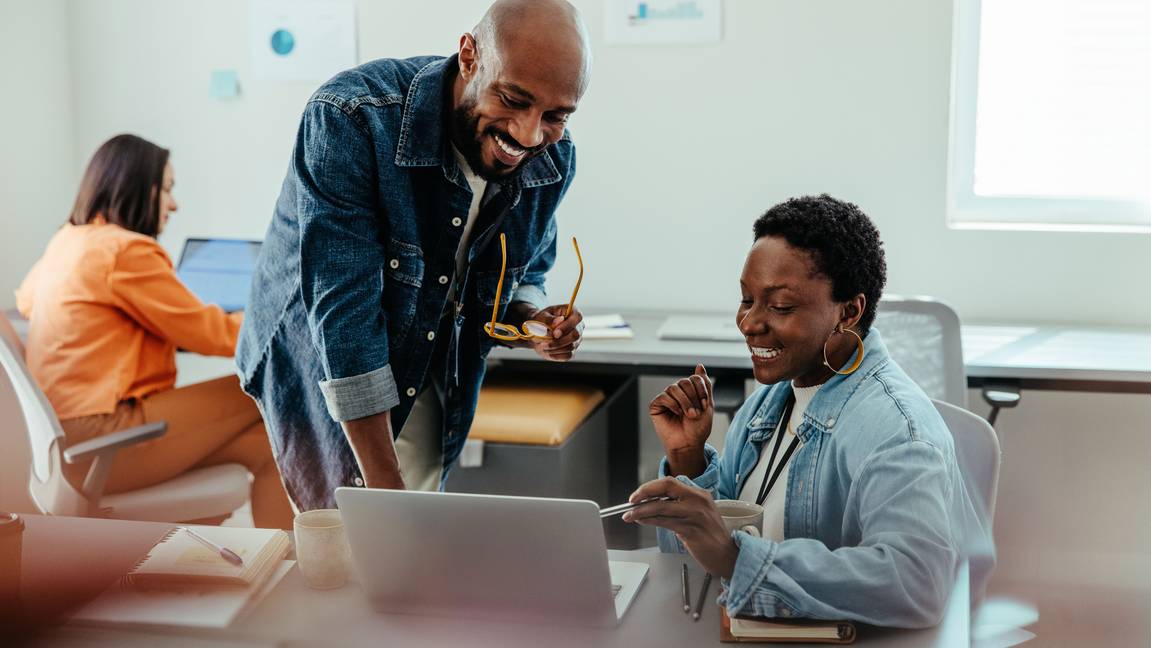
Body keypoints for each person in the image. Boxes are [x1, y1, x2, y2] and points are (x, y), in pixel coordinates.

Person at [237, 0, 593, 510]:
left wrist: (533, 320)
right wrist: (385, 488)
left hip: (433, 355)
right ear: (469, 56)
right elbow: (345, 317)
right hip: (319, 356)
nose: (529, 134)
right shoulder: (351, 118)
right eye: (513, 100)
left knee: (412, 524)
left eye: (555, 116)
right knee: (343, 526)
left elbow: (526, 271)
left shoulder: (553, 157)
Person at [624, 195, 995, 628]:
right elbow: (696, 570)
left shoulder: (897, 432)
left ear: (849, 312)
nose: (749, 323)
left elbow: (918, 583)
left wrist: (736, 556)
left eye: (780, 306)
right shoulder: (768, 403)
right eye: (746, 299)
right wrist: (688, 458)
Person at [15, 134, 294, 530]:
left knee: (265, 446)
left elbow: (28, 302)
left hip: (66, 447)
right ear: (135, 187)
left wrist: (131, 328)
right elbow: (212, 334)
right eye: (166, 190)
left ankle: (280, 555)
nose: (173, 204)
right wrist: (286, 322)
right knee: (274, 386)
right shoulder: (125, 250)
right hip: (106, 437)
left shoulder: (67, 241)